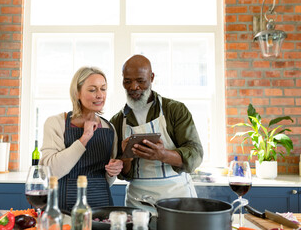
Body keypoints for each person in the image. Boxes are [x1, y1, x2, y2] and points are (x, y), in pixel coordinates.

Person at [110, 55, 203, 213]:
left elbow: (196, 154)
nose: (134, 87)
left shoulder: (175, 110)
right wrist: (126, 158)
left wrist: (163, 155)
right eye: (127, 81)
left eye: (141, 80)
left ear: (151, 77)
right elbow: (124, 174)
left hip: (177, 199)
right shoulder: (118, 121)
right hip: (138, 203)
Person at [40, 66, 123, 211]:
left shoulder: (109, 128)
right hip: (64, 208)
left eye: (103, 89)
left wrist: (112, 171)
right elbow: (49, 171)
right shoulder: (56, 123)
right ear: (77, 93)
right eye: (92, 90)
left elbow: (106, 180)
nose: (100, 95)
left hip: (102, 207)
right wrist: (84, 139)